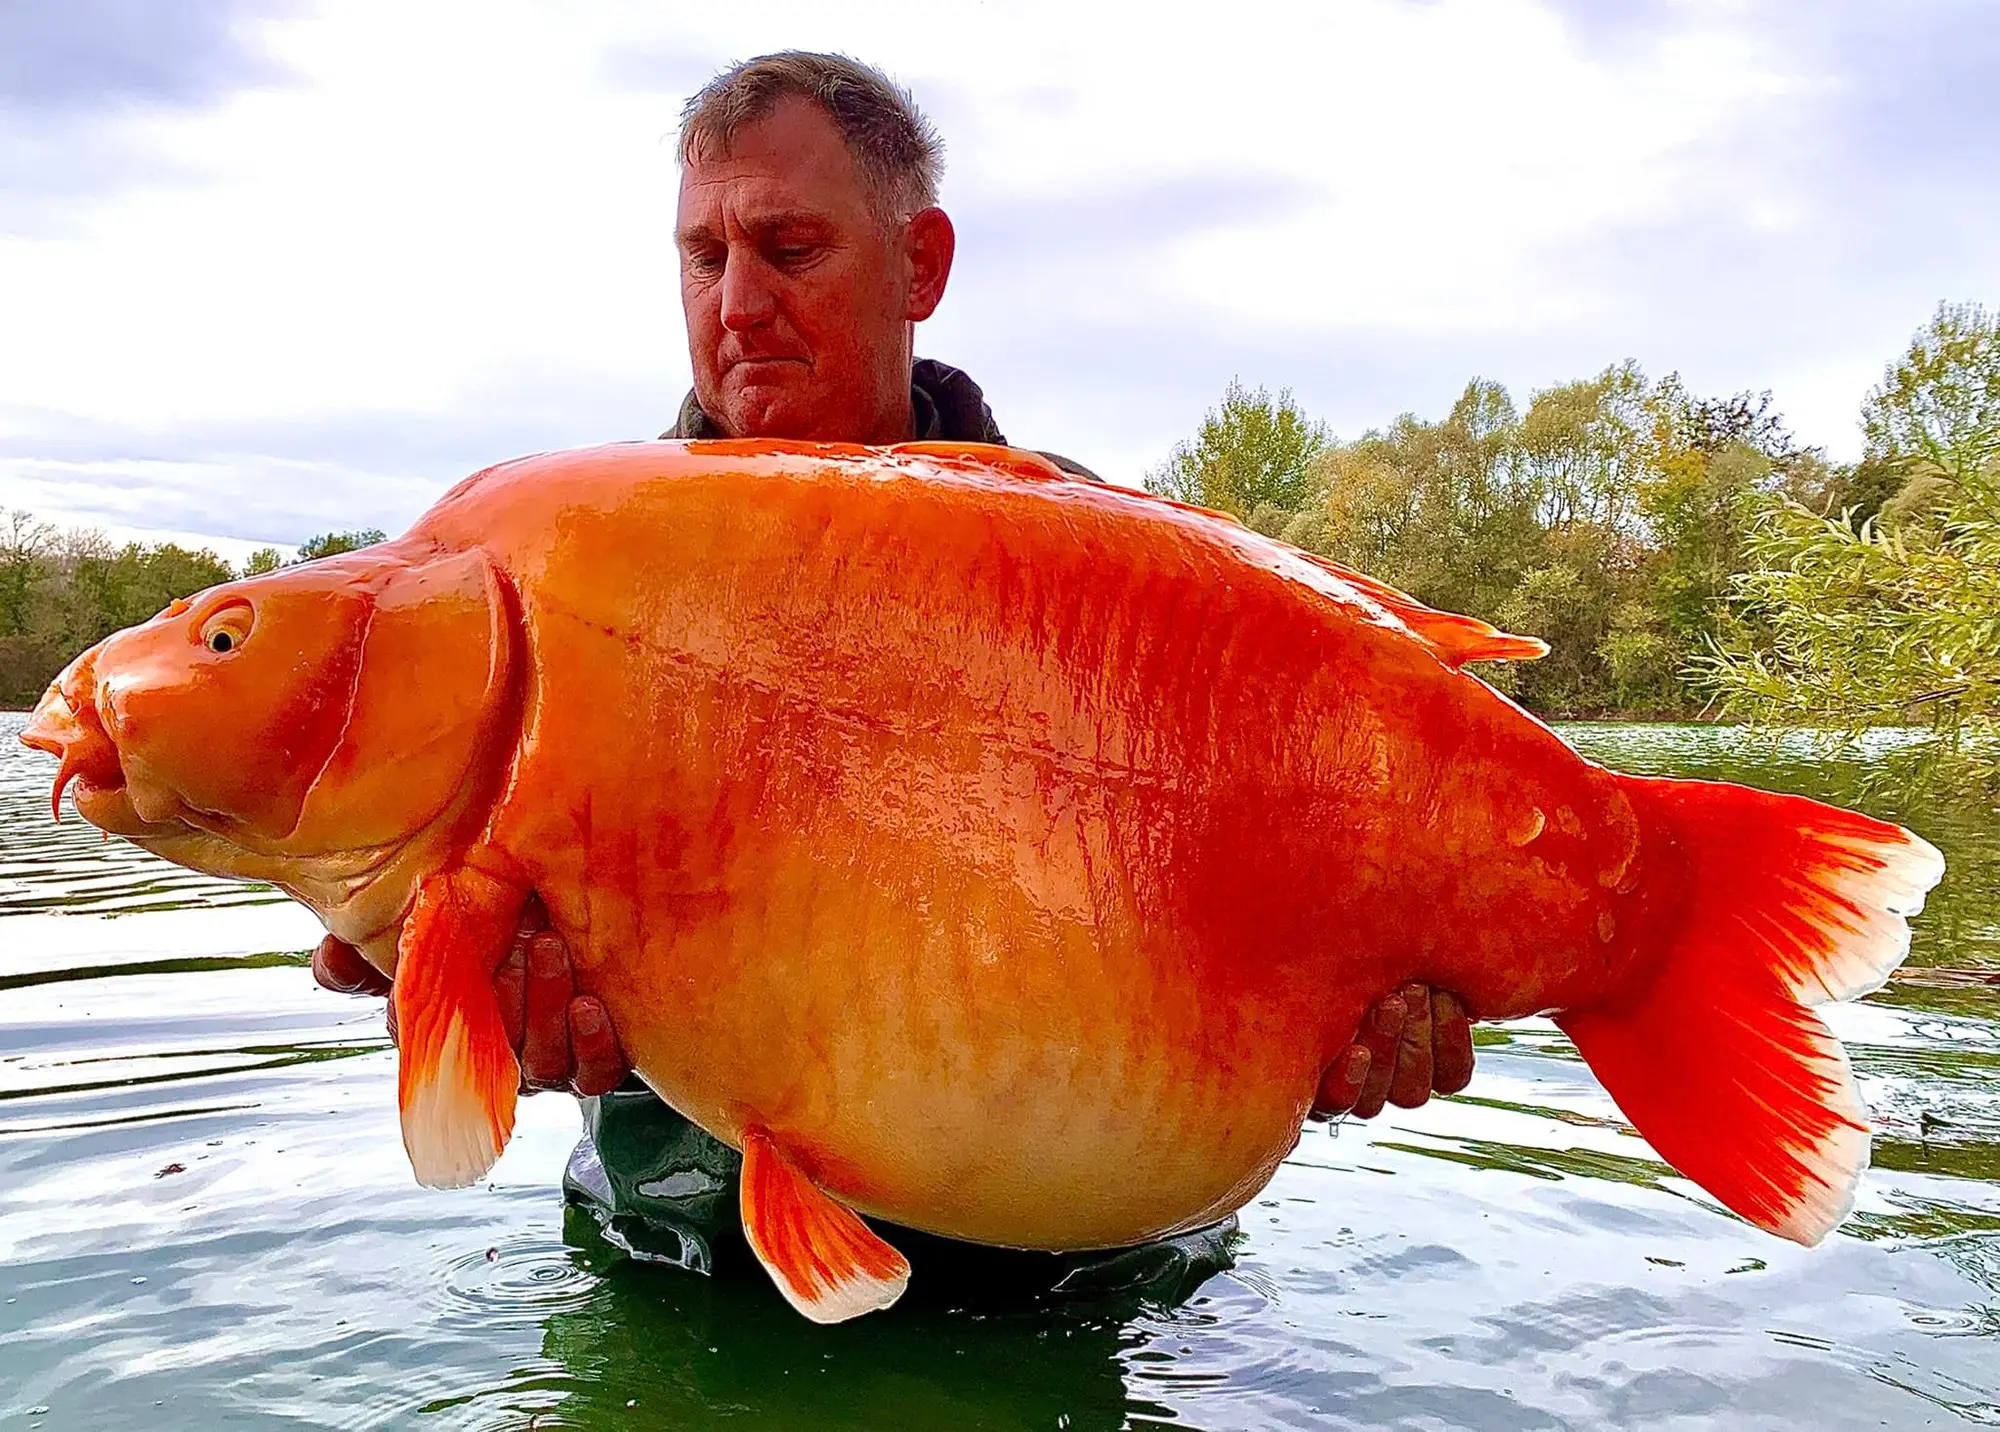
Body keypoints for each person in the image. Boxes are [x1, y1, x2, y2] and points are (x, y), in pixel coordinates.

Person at [312, 50, 1477, 1293]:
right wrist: (456, 1000)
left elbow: (1283, 911)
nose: (738, 303)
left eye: (790, 249)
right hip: (678, 1257)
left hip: (1069, 1282)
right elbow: (418, 925)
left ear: (919, 263)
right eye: (703, 257)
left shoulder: (1120, 573)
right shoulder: (559, 580)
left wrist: (1354, 1023)